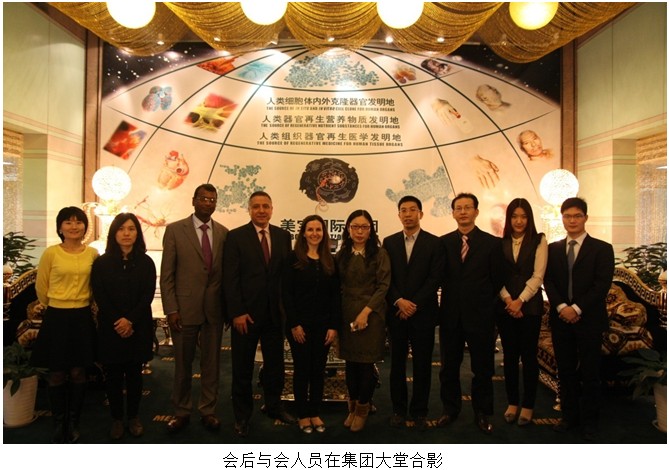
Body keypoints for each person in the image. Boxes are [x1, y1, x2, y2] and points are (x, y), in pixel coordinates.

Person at [223, 191, 294, 438]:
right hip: (246, 316)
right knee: (242, 368)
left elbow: (286, 277)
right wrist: (237, 312)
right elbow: (230, 279)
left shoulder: (283, 236)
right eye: (256, 206)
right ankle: (242, 416)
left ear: (272, 209)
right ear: (249, 209)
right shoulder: (235, 237)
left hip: (275, 316)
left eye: (266, 206)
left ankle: (274, 406)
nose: (261, 210)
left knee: (275, 366)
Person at [543, 197, 614, 441]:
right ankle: (569, 417)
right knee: (565, 371)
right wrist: (562, 307)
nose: (572, 220)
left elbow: (601, 285)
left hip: (589, 319)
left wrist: (577, 308)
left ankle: (590, 422)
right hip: (561, 319)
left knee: (591, 373)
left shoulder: (602, 249)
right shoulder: (553, 249)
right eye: (567, 216)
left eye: (577, 216)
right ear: (562, 218)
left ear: (585, 218)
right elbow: (548, 281)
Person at [160, 183, 228, 433]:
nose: (208, 203)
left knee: (211, 365)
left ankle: (208, 410)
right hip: (183, 309)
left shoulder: (223, 233)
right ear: (193, 200)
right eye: (203, 198)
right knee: (182, 364)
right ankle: (181, 411)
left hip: (213, 310)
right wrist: (171, 309)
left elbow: (225, 276)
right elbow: (167, 275)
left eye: (212, 200)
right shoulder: (175, 230)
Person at [30, 206, 98, 443]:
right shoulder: (51, 253)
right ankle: (59, 423)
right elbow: (42, 286)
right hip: (57, 317)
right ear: (60, 227)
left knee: (79, 371)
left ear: (85, 227)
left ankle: (74, 421)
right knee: (56, 373)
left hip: (82, 317)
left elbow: (95, 286)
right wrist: (55, 303)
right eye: (68, 222)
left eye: (78, 222)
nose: (74, 226)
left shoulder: (92, 254)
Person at [438, 193, 503, 434]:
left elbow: (497, 281)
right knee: (448, 367)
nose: (463, 212)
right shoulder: (443, 243)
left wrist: (489, 309)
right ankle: (450, 409)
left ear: (476, 212)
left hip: (481, 316)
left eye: (468, 207)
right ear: (453, 213)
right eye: (459, 208)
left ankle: (483, 412)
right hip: (451, 316)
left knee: (483, 368)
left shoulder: (492, 243)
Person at [91, 213, 156, 440]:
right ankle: (117, 418)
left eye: (131, 229)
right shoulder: (102, 263)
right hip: (111, 328)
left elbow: (147, 295)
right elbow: (100, 295)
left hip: (138, 327)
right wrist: (118, 321)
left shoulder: (146, 262)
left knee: (135, 374)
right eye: (121, 229)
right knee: (113, 376)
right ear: (114, 233)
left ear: (137, 233)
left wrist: (130, 320)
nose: (126, 233)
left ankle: (134, 417)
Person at [382, 196, 444, 431]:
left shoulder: (434, 243)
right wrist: (399, 301)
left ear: (421, 214)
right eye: (403, 210)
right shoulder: (389, 243)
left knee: (422, 365)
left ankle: (419, 411)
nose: (407, 214)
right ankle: (398, 410)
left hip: (423, 313)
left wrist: (413, 304)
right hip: (397, 313)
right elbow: (385, 277)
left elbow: (435, 278)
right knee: (396, 364)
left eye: (412, 210)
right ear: (398, 215)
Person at [282, 215, 340, 434]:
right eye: (310, 229)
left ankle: (315, 412)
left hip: (323, 327)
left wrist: (333, 326)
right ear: (303, 233)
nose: (314, 233)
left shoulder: (330, 260)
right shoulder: (292, 259)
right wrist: (294, 324)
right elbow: (286, 294)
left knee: (318, 370)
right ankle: (302, 414)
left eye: (318, 230)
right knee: (302, 369)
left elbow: (335, 296)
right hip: (299, 327)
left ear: (324, 233)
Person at [336, 209, 391, 432]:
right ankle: (352, 408)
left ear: (371, 230)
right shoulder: (341, 255)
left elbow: (383, 286)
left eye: (364, 227)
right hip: (347, 314)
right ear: (348, 229)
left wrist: (366, 312)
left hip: (372, 315)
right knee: (350, 363)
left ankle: (362, 410)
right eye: (355, 226)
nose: (360, 231)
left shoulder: (380, 254)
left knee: (366, 364)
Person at [496, 199, 547, 427]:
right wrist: (508, 300)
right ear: (509, 219)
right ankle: (512, 402)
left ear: (529, 218)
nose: (519, 221)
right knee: (509, 356)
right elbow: (496, 275)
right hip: (506, 307)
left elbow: (538, 276)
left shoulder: (539, 240)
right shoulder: (500, 242)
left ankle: (528, 405)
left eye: (523, 216)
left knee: (528, 356)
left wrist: (520, 301)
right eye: (514, 216)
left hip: (530, 308)